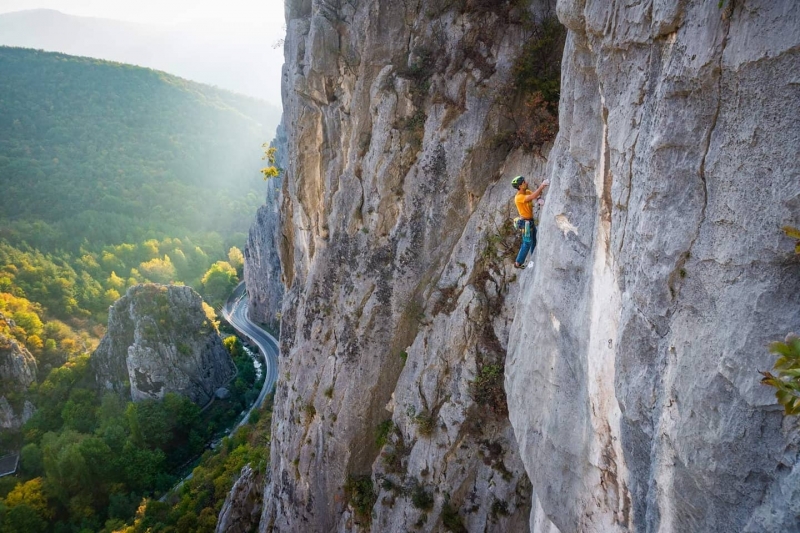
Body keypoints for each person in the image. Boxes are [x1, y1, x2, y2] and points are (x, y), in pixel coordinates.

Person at [511, 175, 549, 268]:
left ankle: (533, 259)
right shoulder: (519, 197)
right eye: (524, 182)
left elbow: (535, 195)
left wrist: (539, 199)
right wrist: (542, 186)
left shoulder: (526, 191)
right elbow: (532, 196)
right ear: (520, 186)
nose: (526, 183)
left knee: (534, 241)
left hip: (530, 221)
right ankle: (518, 263)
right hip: (525, 223)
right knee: (527, 242)